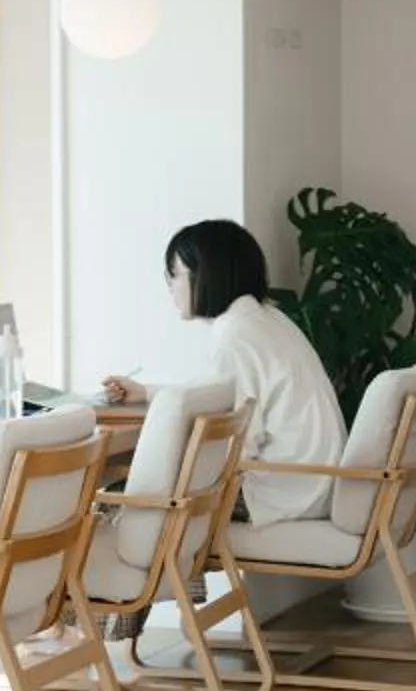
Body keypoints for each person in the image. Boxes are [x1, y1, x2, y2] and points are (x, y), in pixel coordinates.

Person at [102, 219, 346, 525]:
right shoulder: (266, 319)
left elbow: (237, 443)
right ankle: (182, 573)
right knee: (152, 488)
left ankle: (169, 573)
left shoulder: (237, 337)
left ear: (205, 276)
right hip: (311, 482)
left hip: (284, 493)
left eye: (174, 275)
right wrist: (147, 392)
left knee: (116, 499)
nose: (170, 287)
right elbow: (224, 397)